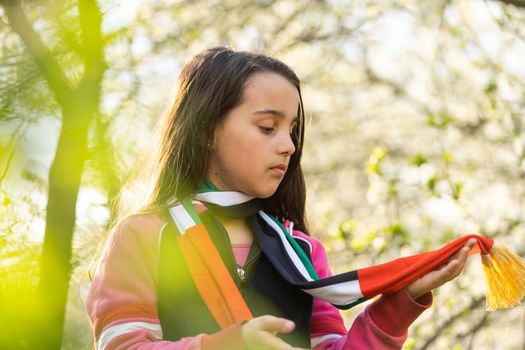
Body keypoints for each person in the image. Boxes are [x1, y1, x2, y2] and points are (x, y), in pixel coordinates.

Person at [86, 47, 475, 350]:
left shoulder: (301, 252)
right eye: (267, 127)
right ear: (206, 130)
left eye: (292, 130)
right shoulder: (144, 236)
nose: (288, 146)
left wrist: (403, 299)